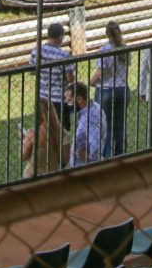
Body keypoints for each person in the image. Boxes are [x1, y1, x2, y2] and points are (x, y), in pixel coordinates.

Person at [23, 22, 74, 176]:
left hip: (42, 99)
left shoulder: (36, 51)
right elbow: (70, 78)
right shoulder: (64, 55)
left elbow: (32, 71)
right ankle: (57, 165)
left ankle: (41, 162)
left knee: (42, 132)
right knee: (60, 133)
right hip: (58, 100)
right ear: (60, 37)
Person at [94, 22, 133, 158]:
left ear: (106, 34)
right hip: (122, 89)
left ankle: (106, 156)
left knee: (106, 125)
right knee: (120, 124)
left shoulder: (105, 49)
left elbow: (101, 73)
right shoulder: (124, 48)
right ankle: (121, 153)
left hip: (106, 90)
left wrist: (91, 82)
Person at [67, 79, 105, 169]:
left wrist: (89, 157)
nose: (67, 104)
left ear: (79, 99)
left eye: (69, 100)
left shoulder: (88, 119)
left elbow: (95, 145)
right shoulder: (94, 106)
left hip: (83, 169)